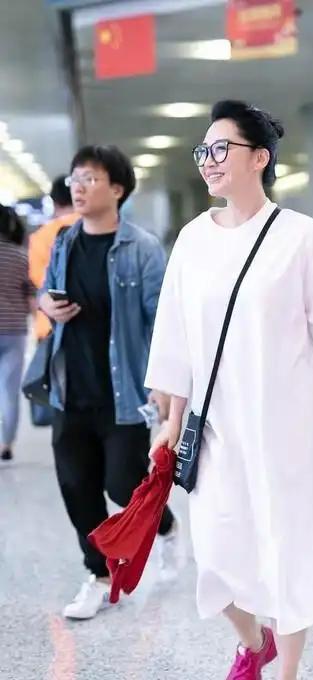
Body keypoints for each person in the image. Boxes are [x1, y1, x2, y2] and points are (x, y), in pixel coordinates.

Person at [146, 100, 313, 680]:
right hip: (214, 428)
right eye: (203, 151)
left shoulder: (300, 237)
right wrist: (172, 421)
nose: (208, 160)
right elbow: (174, 337)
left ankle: (287, 672)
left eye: (221, 148)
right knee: (216, 553)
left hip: (284, 429)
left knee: (288, 550)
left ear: (260, 158)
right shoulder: (192, 240)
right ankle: (254, 643)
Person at [39, 145, 184, 620]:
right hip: (69, 389)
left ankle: (165, 527)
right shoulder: (64, 241)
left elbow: (161, 319)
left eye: (90, 179)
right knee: (76, 486)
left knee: (123, 485)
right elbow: (45, 291)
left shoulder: (141, 247)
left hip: (123, 394)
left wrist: (164, 383)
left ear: (117, 189)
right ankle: (99, 576)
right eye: (74, 179)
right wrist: (46, 305)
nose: (78, 188)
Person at [0, 206, 36, 462]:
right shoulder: (20, 256)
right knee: (9, 390)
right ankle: (6, 443)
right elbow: (31, 296)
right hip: (14, 331)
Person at [29, 175, 79, 342]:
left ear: (54, 202)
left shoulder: (41, 236)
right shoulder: (94, 229)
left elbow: (37, 278)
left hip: (50, 324)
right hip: (93, 324)